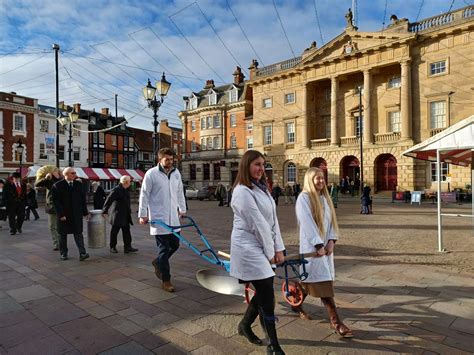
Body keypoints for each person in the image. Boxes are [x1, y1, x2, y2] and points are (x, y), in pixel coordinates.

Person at [230, 150, 286, 355]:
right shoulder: (242, 191)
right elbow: (258, 224)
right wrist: (272, 252)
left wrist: (279, 248)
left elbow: (273, 221)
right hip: (247, 247)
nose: (261, 169)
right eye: (257, 164)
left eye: (263, 164)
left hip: (262, 245)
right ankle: (273, 345)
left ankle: (244, 326)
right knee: (267, 296)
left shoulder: (261, 188)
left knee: (264, 291)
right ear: (246, 166)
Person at [293, 167, 353, 338]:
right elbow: (307, 223)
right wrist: (318, 244)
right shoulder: (304, 198)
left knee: (311, 281)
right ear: (309, 180)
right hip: (313, 249)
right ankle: (336, 322)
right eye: (316, 178)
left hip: (325, 250)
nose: (320, 181)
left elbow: (332, 221)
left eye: (322, 178)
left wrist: (332, 241)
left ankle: (296, 303)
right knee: (324, 285)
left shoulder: (325, 199)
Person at [139, 148, 186, 293]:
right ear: (159, 159)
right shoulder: (151, 174)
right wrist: (142, 214)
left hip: (173, 217)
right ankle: (166, 280)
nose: (170, 162)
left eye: (172, 159)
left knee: (175, 245)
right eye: (167, 160)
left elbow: (179, 192)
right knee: (164, 249)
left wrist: (182, 208)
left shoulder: (176, 173)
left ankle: (158, 261)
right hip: (159, 218)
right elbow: (144, 194)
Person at [51, 167, 90, 261]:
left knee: (78, 234)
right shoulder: (57, 185)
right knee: (63, 235)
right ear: (66, 174)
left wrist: (85, 212)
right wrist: (61, 215)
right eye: (72, 173)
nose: (75, 175)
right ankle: (63, 253)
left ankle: (82, 253)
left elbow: (82, 200)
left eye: (75, 173)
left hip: (76, 214)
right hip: (64, 215)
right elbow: (56, 202)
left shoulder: (78, 184)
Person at [102, 175, 138, 254]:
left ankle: (127, 247)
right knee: (114, 231)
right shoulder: (116, 190)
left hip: (125, 214)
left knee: (126, 231)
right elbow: (108, 200)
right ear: (126, 182)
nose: (131, 183)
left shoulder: (125, 189)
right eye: (130, 181)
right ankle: (112, 247)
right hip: (117, 215)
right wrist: (105, 211)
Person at [35, 167, 62, 250]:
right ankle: (56, 243)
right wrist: (45, 178)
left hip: (61, 206)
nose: (55, 172)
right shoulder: (49, 180)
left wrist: (58, 177)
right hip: (51, 206)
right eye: (54, 171)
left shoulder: (62, 179)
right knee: (52, 226)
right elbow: (37, 184)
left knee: (59, 226)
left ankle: (61, 242)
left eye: (56, 171)